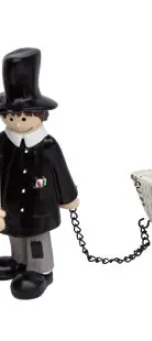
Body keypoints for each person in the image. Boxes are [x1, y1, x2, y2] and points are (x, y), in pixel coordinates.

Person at [0, 48, 79, 300]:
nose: (17, 122)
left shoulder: (47, 146)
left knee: (37, 239)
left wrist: (68, 197)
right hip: (11, 204)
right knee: (15, 236)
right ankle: (18, 262)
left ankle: (40, 271)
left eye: (24, 117)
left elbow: (60, 172)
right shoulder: (3, 143)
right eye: (11, 116)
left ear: (40, 116)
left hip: (40, 205)